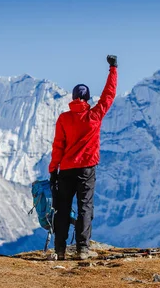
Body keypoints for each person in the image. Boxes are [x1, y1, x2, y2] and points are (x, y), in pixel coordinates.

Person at [49, 55, 118, 260]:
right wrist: (113, 69)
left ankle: (60, 249)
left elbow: (58, 146)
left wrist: (53, 169)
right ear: (88, 99)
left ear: (72, 98)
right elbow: (109, 95)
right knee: (84, 207)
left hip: (66, 169)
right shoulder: (94, 116)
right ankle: (82, 249)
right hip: (87, 169)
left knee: (62, 209)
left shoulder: (64, 118)